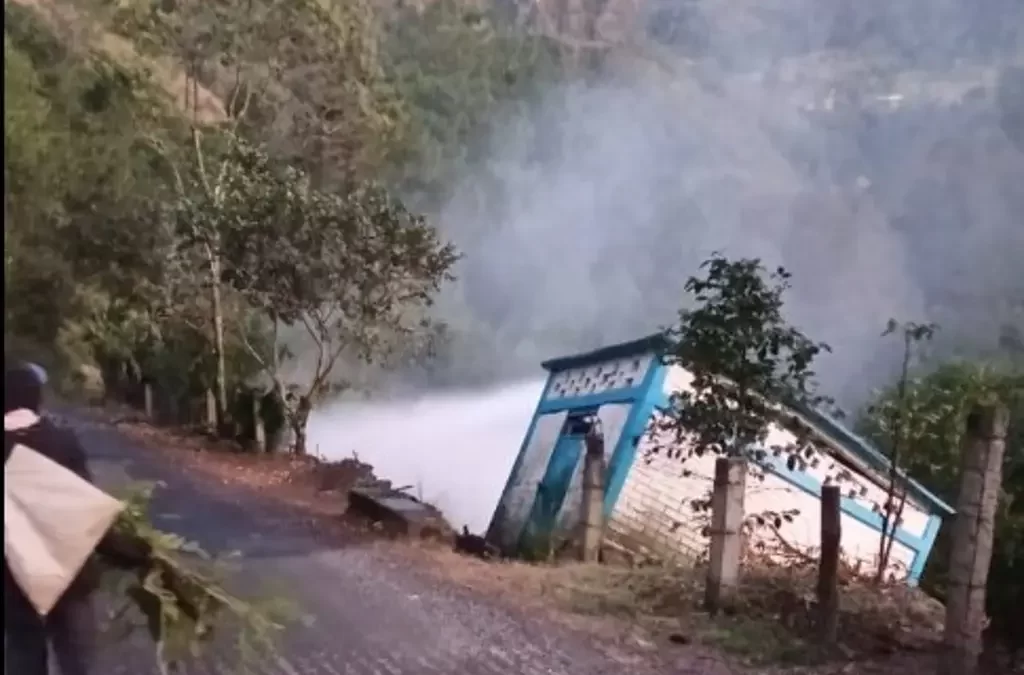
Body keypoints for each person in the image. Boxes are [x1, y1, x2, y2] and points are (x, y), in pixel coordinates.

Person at [4, 362, 150, 675]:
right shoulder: (61, 442)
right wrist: (130, 552)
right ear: (35, 400)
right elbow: (83, 514)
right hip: (68, 573)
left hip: (13, 581)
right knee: (77, 660)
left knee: (22, 656)